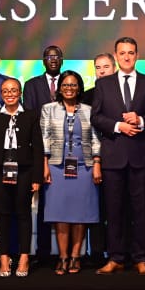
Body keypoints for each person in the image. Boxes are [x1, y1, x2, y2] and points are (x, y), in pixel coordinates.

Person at [92, 36, 145, 276]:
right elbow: (96, 117)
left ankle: (140, 258)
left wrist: (140, 120)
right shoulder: (103, 84)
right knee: (114, 210)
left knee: (140, 210)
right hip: (113, 156)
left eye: (131, 52)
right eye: (122, 53)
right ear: (116, 55)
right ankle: (115, 258)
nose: (127, 57)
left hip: (140, 156)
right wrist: (119, 126)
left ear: (137, 55)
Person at [0, 78, 43, 277]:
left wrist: (37, 178)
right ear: (1, 93)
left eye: (14, 90)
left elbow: (38, 148)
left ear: (20, 93)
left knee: (23, 214)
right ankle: (4, 258)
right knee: (2, 214)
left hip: (24, 171)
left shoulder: (31, 115)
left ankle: (24, 257)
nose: (10, 94)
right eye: (6, 91)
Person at [42, 72, 102, 274]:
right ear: (59, 88)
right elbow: (44, 138)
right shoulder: (49, 109)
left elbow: (95, 139)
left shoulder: (89, 110)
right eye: (65, 85)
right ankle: (63, 257)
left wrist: (96, 163)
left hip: (84, 167)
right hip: (57, 167)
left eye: (73, 85)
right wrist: (44, 164)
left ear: (79, 88)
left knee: (80, 213)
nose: (69, 89)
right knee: (60, 213)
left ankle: (76, 257)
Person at [21, 45, 75, 265]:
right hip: (40, 149)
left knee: (70, 201)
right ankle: (43, 252)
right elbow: (30, 116)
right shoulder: (32, 85)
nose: (53, 59)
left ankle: (69, 254)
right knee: (45, 202)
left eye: (57, 56)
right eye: (49, 56)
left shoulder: (70, 83)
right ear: (43, 60)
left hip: (70, 151)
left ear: (62, 60)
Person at [83, 52, 115, 263]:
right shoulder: (86, 96)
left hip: (116, 154)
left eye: (106, 67)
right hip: (89, 158)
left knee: (115, 206)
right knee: (94, 205)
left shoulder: (122, 93)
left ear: (114, 68)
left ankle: (116, 251)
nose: (102, 71)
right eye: (98, 67)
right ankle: (95, 251)